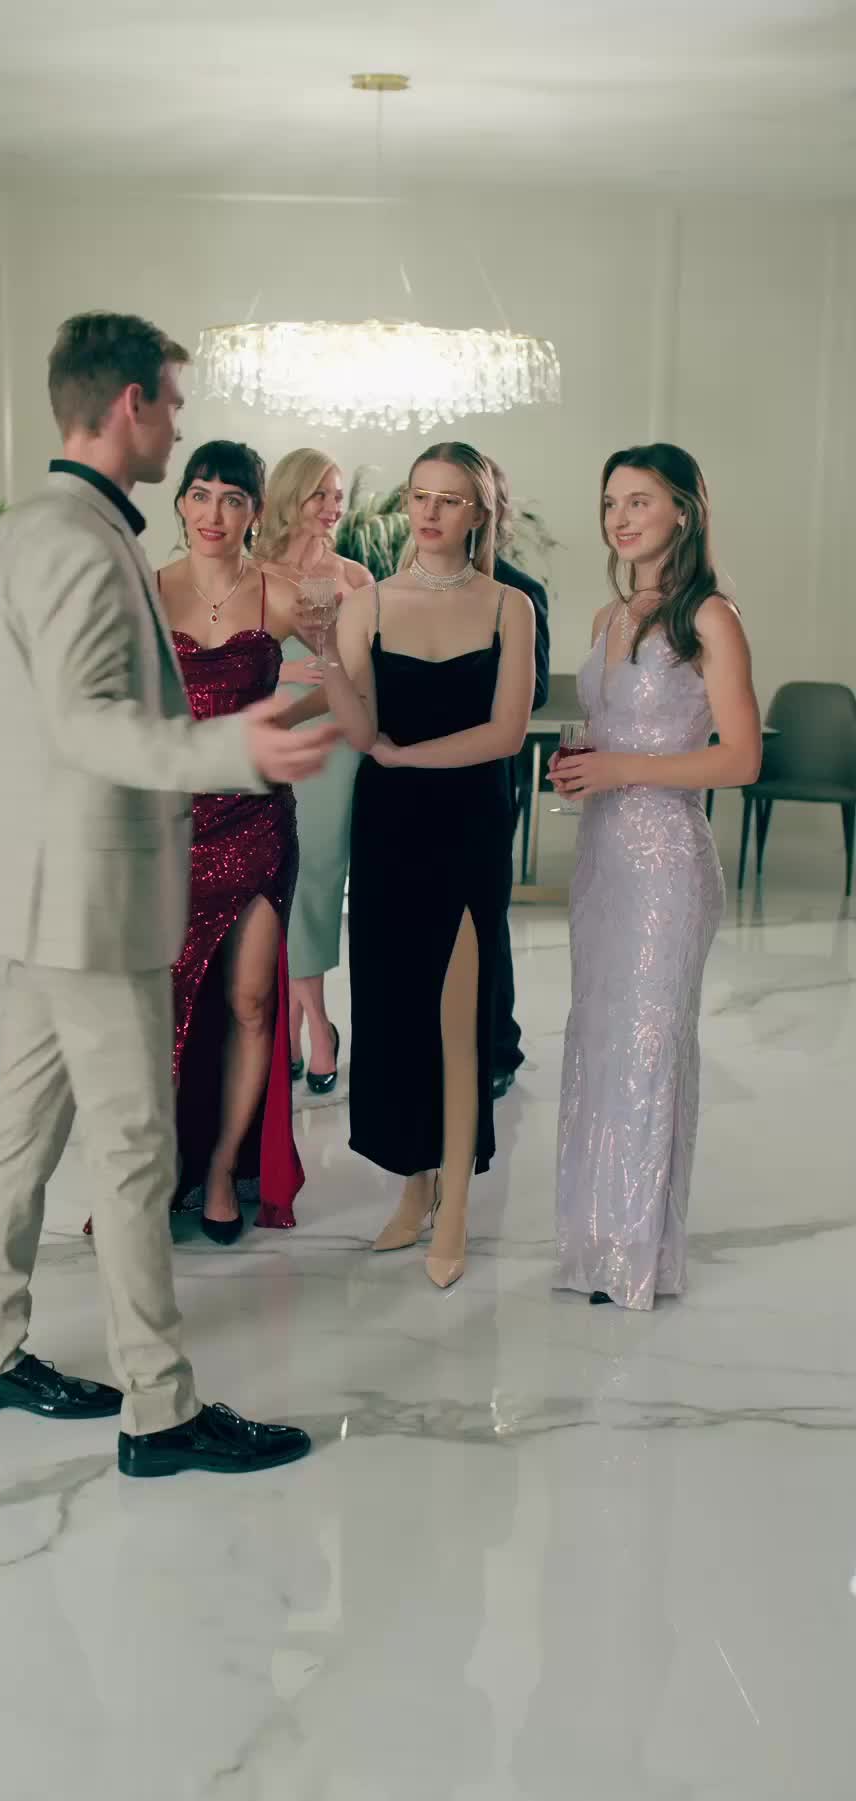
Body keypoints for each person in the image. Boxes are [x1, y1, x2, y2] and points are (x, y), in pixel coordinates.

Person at [0, 313, 337, 1478]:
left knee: (22, 1126)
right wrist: (232, 749)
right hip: (89, 892)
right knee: (131, 1145)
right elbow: (84, 725)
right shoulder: (77, 542)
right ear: (130, 404)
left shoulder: (33, 527)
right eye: (171, 401)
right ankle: (160, 1411)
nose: (176, 424)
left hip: (45, 889)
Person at [318, 442, 535, 1289]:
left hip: (468, 823)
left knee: (457, 1017)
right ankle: (414, 1186)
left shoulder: (509, 607)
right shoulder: (367, 603)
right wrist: (327, 654)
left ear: (479, 513)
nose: (431, 513)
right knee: (397, 1011)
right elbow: (359, 726)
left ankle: (456, 1209)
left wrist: (408, 758)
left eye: (450, 499)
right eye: (419, 496)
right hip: (389, 829)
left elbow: (507, 734)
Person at [551, 442, 760, 1309]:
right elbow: (609, 738)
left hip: (668, 862)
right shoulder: (608, 617)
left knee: (650, 1046)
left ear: (683, 510)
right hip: (602, 856)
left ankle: (639, 1256)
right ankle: (592, 1247)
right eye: (611, 503)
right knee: (598, 1040)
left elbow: (741, 758)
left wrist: (623, 768)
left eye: (640, 500)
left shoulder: (708, 617)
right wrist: (582, 765)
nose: (621, 518)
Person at [158, 441, 308, 1238]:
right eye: (200, 494)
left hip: (255, 823)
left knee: (250, 1001)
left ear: (255, 512)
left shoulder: (279, 596)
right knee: (160, 1010)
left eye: (233, 498)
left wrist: (279, 725)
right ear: (181, 502)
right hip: (169, 829)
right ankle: (157, 1168)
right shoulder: (147, 592)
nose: (213, 513)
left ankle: (222, 1168)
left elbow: (350, 682)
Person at [255, 450, 373, 1093]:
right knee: (280, 885)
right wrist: (282, 667)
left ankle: (306, 1025)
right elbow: (228, 661)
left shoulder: (354, 575)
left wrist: (332, 655)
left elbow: (369, 665)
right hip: (272, 739)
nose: (333, 507)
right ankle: (308, 1024)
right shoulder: (254, 572)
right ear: (291, 496)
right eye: (320, 495)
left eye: (338, 495)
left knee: (319, 881)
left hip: (333, 742)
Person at [487, 458, 551, 1099]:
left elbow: (534, 692)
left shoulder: (521, 591)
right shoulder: (404, 586)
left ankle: (497, 1046)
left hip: (487, 775)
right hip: (409, 779)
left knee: (486, 915)